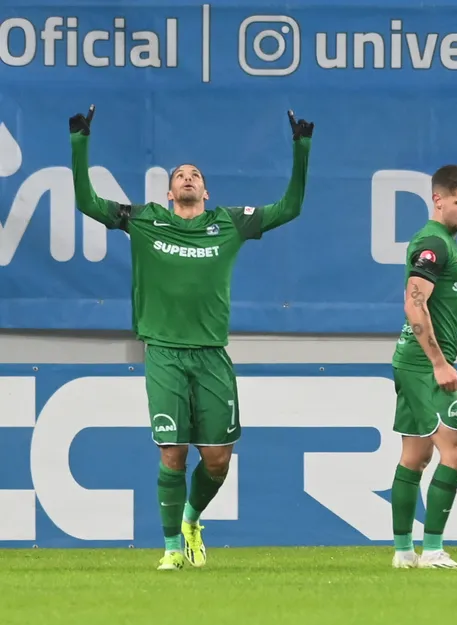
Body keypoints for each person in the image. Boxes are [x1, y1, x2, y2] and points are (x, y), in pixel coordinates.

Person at [68, 105, 313, 571]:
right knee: (173, 452)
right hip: (163, 352)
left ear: (205, 190)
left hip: (212, 355)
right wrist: (80, 142)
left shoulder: (229, 222)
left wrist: (302, 148)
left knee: (218, 460)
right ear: (168, 191)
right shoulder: (145, 220)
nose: (187, 178)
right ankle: (170, 550)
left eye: (195, 175)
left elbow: (290, 207)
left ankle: (191, 519)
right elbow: (88, 202)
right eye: (180, 175)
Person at [389, 165, 457, 570]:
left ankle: (403, 552)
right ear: (437, 200)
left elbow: (444, 300)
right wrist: (440, 364)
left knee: (416, 455)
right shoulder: (433, 243)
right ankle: (434, 550)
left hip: (412, 361)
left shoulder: (448, 246)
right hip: (424, 365)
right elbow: (415, 304)